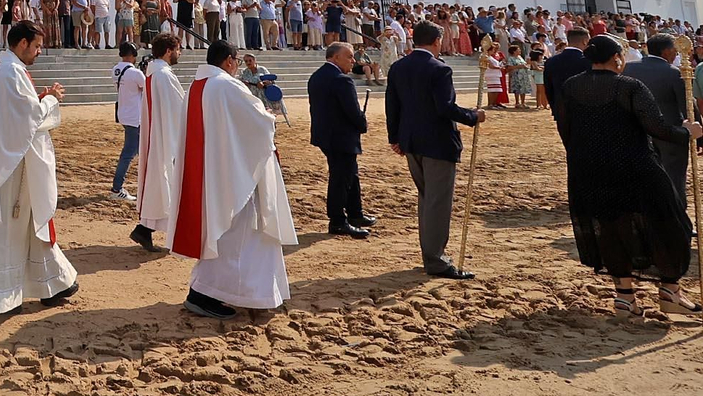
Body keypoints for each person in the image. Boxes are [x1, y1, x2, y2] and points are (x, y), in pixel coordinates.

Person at [561, 35, 703, 316]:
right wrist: (688, 132)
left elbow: (566, 129)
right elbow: (657, 127)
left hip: (589, 170)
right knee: (672, 224)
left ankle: (625, 297)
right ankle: (670, 291)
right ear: (617, 58)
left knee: (611, 228)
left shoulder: (571, 86)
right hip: (635, 167)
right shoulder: (628, 86)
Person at [159, 39, 297, 318]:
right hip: (233, 174)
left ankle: (226, 291)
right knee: (239, 234)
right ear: (229, 61)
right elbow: (257, 124)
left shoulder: (198, 85)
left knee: (228, 234)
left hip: (214, 171)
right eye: (236, 61)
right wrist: (269, 117)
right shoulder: (227, 85)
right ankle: (208, 293)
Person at [0, 20, 76, 312]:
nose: (39, 52)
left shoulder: (9, 69)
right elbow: (29, 118)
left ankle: (53, 283)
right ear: (22, 43)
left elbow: (21, 113)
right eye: (37, 46)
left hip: (15, 161)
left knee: (31, 228)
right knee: (8, 233)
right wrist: (51, 100)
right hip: (8, 169)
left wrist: (41, 99)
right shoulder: (10, 71)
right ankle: (4, 295)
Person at [385, 20, 484, 280]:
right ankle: (436, 259)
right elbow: (445, 108)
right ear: (437, 41)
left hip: (411, 141)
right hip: (437, 143)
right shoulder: (439, 69)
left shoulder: (398, 66)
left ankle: (430, 253)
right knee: (437, 202)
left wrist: (395, 137)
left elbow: (392, 105)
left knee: (427, 199)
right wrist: (473, 116)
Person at [309, 43, 373, 239]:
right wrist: (362, 124)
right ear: (335, 57)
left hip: (325, 135)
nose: (353, 61)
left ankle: (355, 213)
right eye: (349, 57)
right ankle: (337, 221)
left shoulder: (316, 76)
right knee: (341, 178)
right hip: (341, 136)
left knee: (350, 174)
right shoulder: (341, 80)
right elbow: (352, 111)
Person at [622, 33, 693, 206]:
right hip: (670, 133)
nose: (676, 54)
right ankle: (677, 214)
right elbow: (687, 105)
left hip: (637, 130)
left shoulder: (628, 68)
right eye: (675, 50)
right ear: (666, 51)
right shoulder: (673, 72)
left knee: (643, 174)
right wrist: (695, 130)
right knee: (674, 176)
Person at [132, 32, 185, 252]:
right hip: (165, 135)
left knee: (161, 182)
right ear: (169, 50)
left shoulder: (156, 73)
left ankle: (145, 229)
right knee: (166, 181)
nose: (180, 53)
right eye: (178, 49)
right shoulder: (163, 75)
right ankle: (148, 230)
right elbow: (179, 106)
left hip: (159, 132)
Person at [109, 41, 145, 203]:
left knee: (133, 150)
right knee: (129, 153)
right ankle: (117, 188)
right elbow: (146, 88)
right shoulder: (135, 73)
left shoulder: (116, 70)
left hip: (124, 113)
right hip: (134, 115)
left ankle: (119, 187)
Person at [543, 26, 590, 144]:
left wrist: (555, 109)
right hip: (585, 111)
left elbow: (549, 89)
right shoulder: (588, 61)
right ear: (585, 41)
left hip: (561, 110)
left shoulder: (551, 61)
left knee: (569, 145)